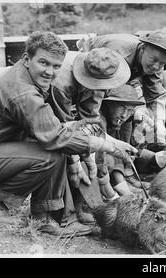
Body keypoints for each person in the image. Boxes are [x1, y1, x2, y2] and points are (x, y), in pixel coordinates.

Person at [0, 31, 137, 237]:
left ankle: (41, 215)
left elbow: (53, 126)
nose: (50, 72)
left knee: (52, 146)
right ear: (27, 59)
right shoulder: (24, 92)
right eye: (44, 63)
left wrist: (108, 140)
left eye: (56, 66)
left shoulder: (25, 76)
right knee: (51, 155)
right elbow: (55, 137)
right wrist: (106, 146)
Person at [46, 47, 131, 226]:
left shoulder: (101, 76)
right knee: (65, 157)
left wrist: (96, 154)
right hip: (45, 122)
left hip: (66, 125)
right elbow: (64, 132)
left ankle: (80, 207)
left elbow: (90, 122)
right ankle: (62, 214)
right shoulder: (61, 82)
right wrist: (75, 161)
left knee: (87, 153)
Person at [82, 30, 166, 145]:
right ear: (143, 48)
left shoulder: (155, 64)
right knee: (99, 118)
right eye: (154, 60)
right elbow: (98, 90)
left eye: (162, 63)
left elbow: (156, 95)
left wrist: (159, 125)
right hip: (94, 63)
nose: (157, 66)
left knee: (127, 116)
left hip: (125, 75)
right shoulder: (117, 55)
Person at [96, 84, 146, 197]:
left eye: (129, 111)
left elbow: (125, 147)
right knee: (110, 154)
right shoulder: (99, 119)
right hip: (95, 168)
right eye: (122, 108)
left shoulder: (124, 121)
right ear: (109, 104)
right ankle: (112, 190)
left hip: (108, 168)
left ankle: (121, 182)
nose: (124, 115)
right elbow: (101, 158)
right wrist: (112, 196)